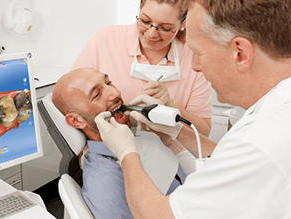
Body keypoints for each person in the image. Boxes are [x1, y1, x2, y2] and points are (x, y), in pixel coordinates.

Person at [95, 0, 291, 219]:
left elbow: (158, 216)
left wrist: (126, 152)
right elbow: (234, 162)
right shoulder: (276, 110)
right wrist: (176, 134)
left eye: (199, 52)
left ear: (240, 53)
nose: (195, 66)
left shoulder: (260, 140)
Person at [72, 0, 213, 195]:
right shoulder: (106, 40)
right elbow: (74, 97)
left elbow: (202, 132)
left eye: (165, 28)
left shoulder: (194, 55)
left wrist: (171, 106)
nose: (152, 34)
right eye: (145, 21)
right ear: (139, 8)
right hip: (114, 151)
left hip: (174, 152)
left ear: (183, 24)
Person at [52, 68, 195, 219]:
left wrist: (174, 131)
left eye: (109, 83)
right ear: (76, 120)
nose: (115, 93)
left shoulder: (141, 137)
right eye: (96, 95)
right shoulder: (104, 184)